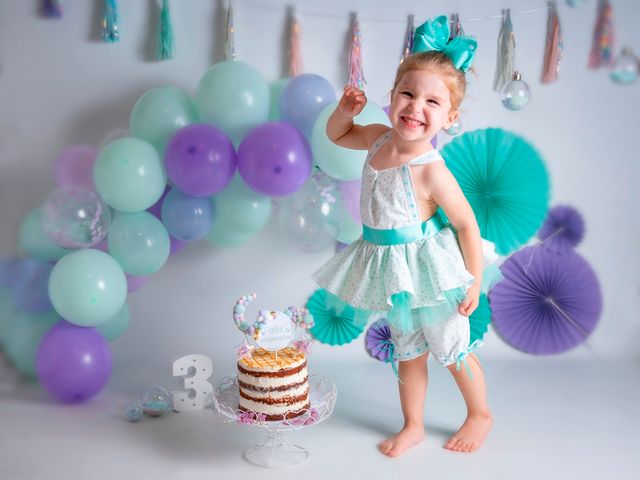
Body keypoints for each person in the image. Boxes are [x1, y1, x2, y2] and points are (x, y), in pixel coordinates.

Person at [313, 16, 501, 456]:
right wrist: (345, 111)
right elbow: (337, 134)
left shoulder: (431, 169)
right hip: (396, 271)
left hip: (431, 271)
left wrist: (473, 279)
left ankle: (480, 414)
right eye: (408, 93)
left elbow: (467, 225)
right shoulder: (378, 139)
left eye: (433, 102)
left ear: (450, 117)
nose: (416, 107)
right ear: (392, 96)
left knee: (451, 347)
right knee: (407, 351)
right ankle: (413, 424)